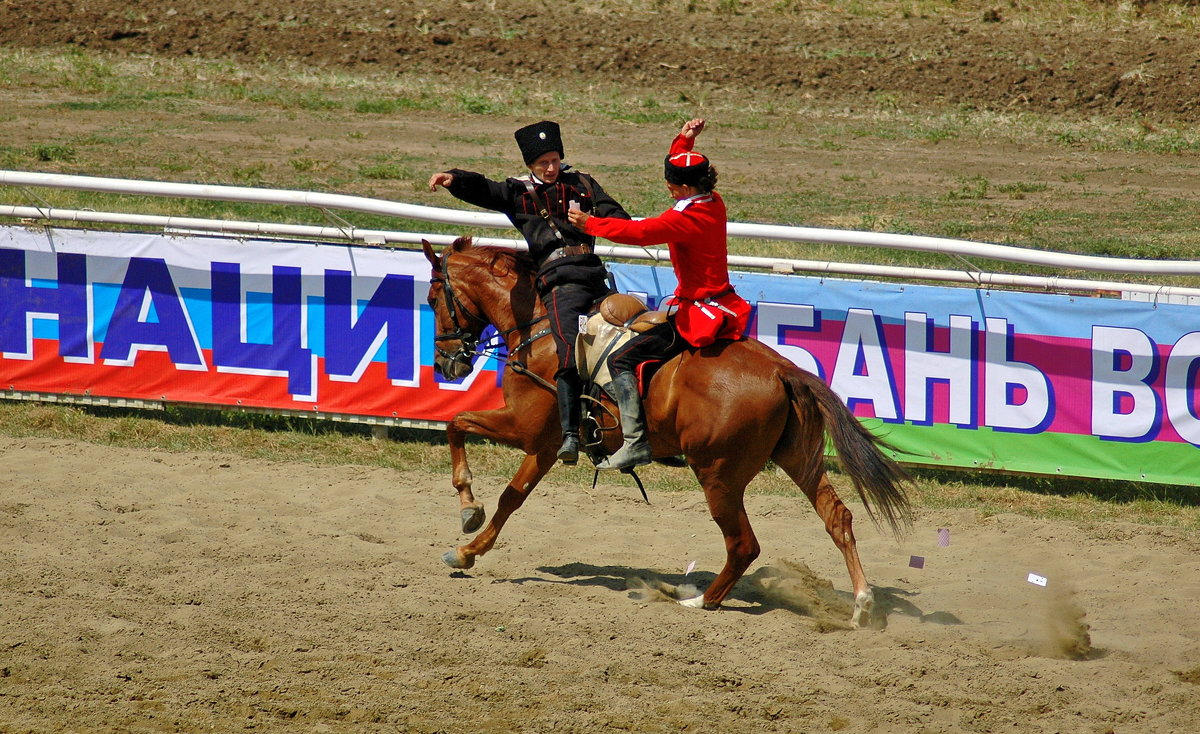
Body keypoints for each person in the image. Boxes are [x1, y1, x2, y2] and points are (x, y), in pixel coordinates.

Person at [429, 121, 631, 465]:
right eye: (543, 164)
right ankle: (570, 433)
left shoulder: (582, 183)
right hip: (559, 284)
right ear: (530, 166)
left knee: (629, 341)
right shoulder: (518, 192)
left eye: (554, 160)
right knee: (567, 348)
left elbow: (618, 217)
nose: (550, 168)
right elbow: (485, 190)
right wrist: (454, 178)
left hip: (596, 277)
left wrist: (595, 224)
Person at [567, 118, 752, 471]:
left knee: (621, 360)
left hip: (699, 311)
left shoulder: (684, 218)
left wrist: (589, 224)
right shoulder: (713, 200)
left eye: (670, 187)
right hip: (723, 303)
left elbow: (639, 232)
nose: (668, 191)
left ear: (681, 189)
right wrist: (684, 141)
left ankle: (636, 443)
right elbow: (683, 165)